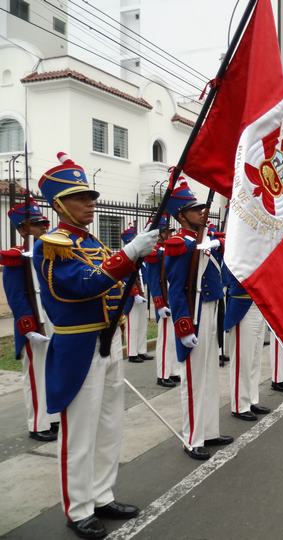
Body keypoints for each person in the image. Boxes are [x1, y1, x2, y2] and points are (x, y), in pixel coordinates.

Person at [34, 152, 156, 539]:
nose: (90, 203)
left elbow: (113, 285)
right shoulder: (53, 244)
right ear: (59, 204)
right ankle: (79, 508)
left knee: (109, 424)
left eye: (90, 196)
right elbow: (80, 286)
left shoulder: (93, 243)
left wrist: (130, 261)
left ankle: (102, 495)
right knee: (81, 431)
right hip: (79, 344)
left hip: (108, 338)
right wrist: (129, 253)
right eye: (80, 197)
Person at [164, 180, 233, 461]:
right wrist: (183, 325)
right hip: (194, 313)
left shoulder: (202, 241)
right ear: (181, 216)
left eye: (202, 208)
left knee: (210, 375)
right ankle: (192, 438)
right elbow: (175, 289)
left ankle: (209, 430)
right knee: (193, 379)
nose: (202, 212)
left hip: (211, 307)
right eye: (195, 210)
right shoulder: (179, 245)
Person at [1, 198, 58, 442]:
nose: (43, 228)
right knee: (36, 375)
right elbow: (15, 296)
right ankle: (38, 424)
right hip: (34, 325)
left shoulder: (49, 252)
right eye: (36, 225)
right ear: (23, 229)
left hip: (53, 321)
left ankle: (52, 417)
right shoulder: (16, 258)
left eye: (44, 223)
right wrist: (28, 328)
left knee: (52, 372)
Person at [223, 264, 272, 420]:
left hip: (259, 302)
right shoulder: (237, 253)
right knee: (242, 360)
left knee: (255, 358)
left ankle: (251, 399)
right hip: (242, 303)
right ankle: (240, 405)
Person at [145, 215, 180, 387]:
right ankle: (163, 374)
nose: (169, 235)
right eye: (166, 232)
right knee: (165, 340)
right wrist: (159, 304)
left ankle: (172, 371)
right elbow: (154, 281)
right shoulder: (154, 253)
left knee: (172, 339)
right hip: (164, 301)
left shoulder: (165, 250)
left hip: (172, 299)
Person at [120, 224, 153, 364]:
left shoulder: (141, 258)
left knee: (142, 323)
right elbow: (126, 278)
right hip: (132, 295)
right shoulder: (127, 257)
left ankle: (141, 350)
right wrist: (135, 293)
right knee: (132, 325)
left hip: (142, 292)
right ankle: (132, 353)